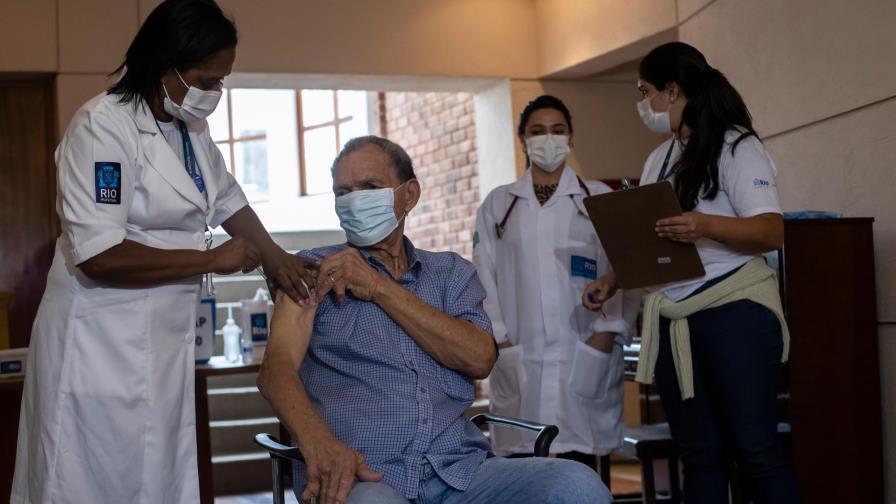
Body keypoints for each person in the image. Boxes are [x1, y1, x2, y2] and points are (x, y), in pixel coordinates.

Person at [11, 1, 316, 503]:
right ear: (162, 65)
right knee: (89, 478)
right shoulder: (102, 128)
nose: (214, 93)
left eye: (222, 81)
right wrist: (212, 260)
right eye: (206, 79)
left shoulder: (189, 131)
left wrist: (277, 258)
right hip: (98, 343)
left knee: (158, 477)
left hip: (162, 341)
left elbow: (228, 199)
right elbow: (99, 254)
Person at [257, 135, 612, 504]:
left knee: (578, 486)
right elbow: (275, 370)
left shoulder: (450, 274)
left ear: (409, 195)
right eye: (342, 192)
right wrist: (320, 444)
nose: (355, 201)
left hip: (461, 470)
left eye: (370, 187)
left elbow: (479, 358)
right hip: (365, 472)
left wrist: (377, 286)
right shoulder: (313, 269)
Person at [583, 42, 801, 503]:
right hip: (675, 317)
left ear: (673, 90)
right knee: (699, 454)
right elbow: (652, 236)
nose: (643, 105)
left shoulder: (737, 145)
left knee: (756, 449)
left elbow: (769, 231)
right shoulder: (659, 157)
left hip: (733, 311)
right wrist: (614, 279)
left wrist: (703, 225)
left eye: (646, 92)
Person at [472, 95, 629, 468]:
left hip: (586, 347)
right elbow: (482, 276)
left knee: (583, 463)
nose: (548, 139)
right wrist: (500, 337)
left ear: (571, 137)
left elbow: (626, 269)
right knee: (523, 465)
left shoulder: (599, 199)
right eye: (537, 131)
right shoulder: (499, 205)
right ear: (522, 138)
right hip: (518, 352)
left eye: (558, 131)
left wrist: (607, 332)